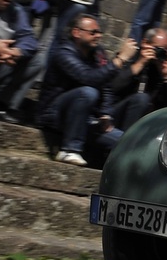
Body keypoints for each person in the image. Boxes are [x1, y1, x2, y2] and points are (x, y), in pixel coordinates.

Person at [37, 14, 145, 166]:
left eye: (99, 32)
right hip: (55, 114)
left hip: (87, 118)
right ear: (76, 32)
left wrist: (105, 113)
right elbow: (89, 78)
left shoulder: (97, 53)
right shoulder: (63, 53)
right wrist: (121, 59)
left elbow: (106, 86)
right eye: (93, 32)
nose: (98, 36)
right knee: (88, 92)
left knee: (130, 143)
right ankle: (70, 149)